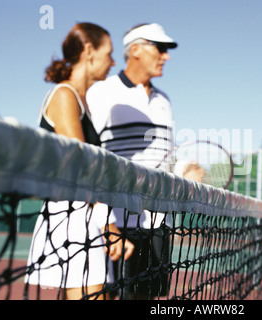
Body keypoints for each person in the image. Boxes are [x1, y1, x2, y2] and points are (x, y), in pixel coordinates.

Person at [26, 22, 134, 300]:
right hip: (70, 219)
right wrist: (108, 225)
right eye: (108, 53)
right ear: (89, 51)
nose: (113, 62)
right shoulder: (64, 96)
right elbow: (83, 171)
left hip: (83, 218)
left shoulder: (80, 101)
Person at [87, 23, 178, 299]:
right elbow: (90, 156)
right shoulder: (102, 92)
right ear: (135, 49)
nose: (167, 56)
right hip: (116, 221)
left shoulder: (164, 100)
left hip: (157, 223)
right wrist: (105, 220)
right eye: (160, 48)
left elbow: (167, 160)